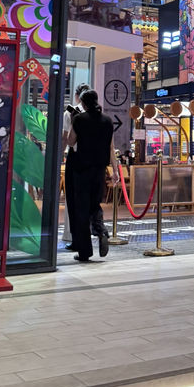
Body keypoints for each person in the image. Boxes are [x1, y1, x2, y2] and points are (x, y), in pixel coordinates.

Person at [67, 88, 119, 262]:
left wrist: (73, 122)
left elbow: (71, 141)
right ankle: (101, 231)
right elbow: (111, 148)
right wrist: (115, 171)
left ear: (83, 103)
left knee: (81, 210)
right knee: (95, 205)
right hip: (100, 171)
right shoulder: (107, 121)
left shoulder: (79, 119)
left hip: (82, 170)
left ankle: (85, 252)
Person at [61, 82, 88, 251]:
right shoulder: (97, 115)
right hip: (91, 160)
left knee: (72, 199)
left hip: (75, 157)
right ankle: (94, 232)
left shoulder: (70, 113)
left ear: (77, 96)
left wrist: (59, 156)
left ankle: (74, 237)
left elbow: (67, 139)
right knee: (88, 200)